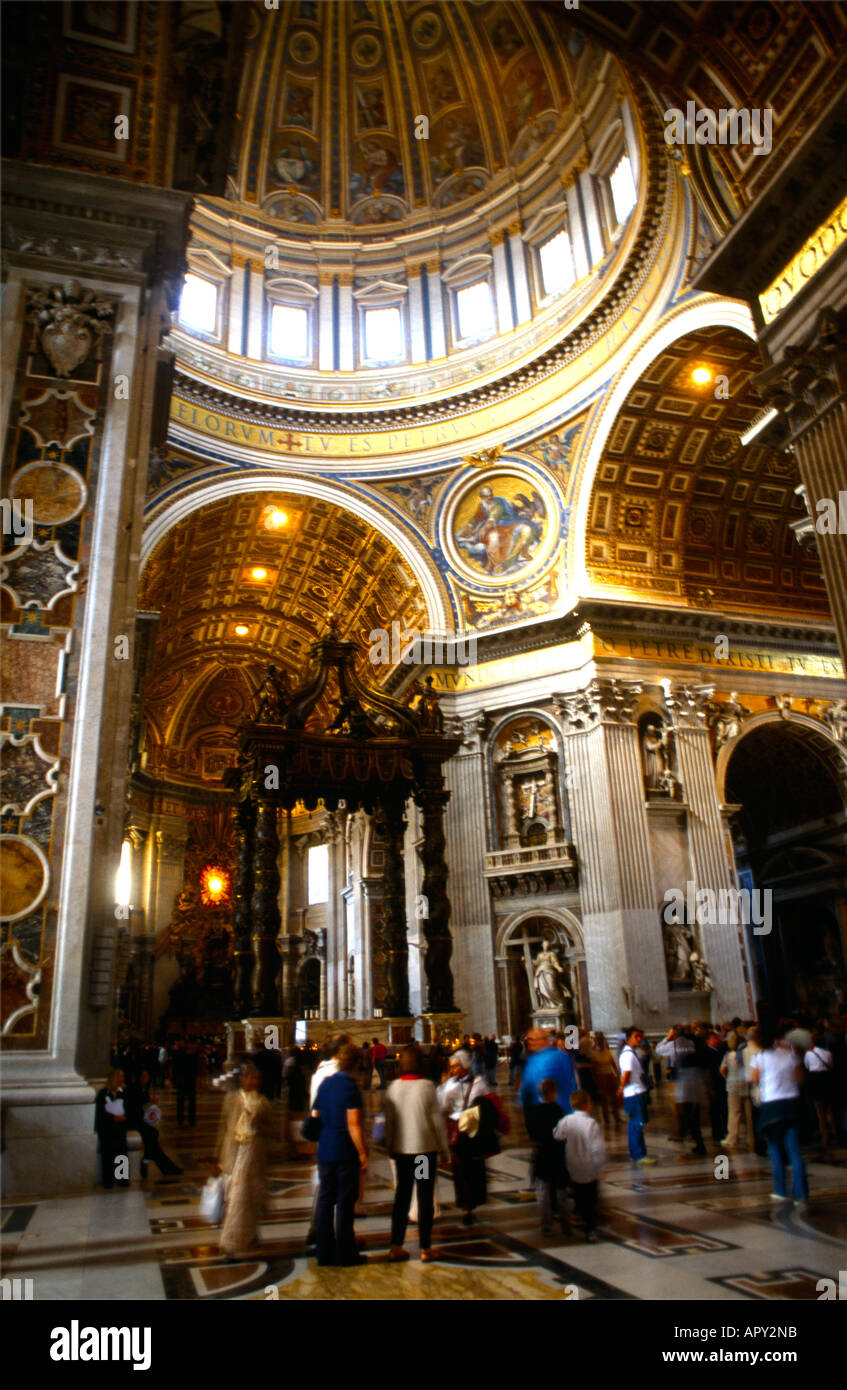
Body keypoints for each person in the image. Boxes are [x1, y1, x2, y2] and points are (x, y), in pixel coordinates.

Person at [384, 1044, 448, 1262]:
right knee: (424, 1196)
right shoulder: (427, 1086)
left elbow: (389, 1123)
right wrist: (445, 1148)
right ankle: (425, 1248)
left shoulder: (392, 1087)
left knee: (402, 1197)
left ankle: (395, 1245)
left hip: (402, 1151)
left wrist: (390, 1147)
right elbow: (437, 1122)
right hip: (422, 1153)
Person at [312, 1043, 368, 1266]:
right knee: (345, 1201)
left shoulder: (325, 1084)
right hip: (345, 1151)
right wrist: (362, 1152)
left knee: (326, 1200)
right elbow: (354, 1124)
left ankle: (323, 1252)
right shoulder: (350, 1087)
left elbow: (315, 1114)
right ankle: (346, 1253)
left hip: (325, 1148)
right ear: (355, 1064)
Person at [747, 1017, 809, 1208]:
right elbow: (800, 1079)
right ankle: (801, 1194)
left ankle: (781, 1190)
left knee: (774, 1149)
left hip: (772, 1104)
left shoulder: (760, 1058)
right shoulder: (790, 1055)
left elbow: (754, 1080)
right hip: (791, 1102)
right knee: (794, 1150)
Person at [217, 1063, 274, 1259]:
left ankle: (248, 1234)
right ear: (242, 1078)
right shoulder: (232, 1099)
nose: (252, 1081)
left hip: (254, 1157)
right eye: (249, 1077)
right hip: (235, 1154)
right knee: (234, 1199)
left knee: (251, 1198)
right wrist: (219, 1157)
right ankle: (231, 1241)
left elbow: (270, 1131)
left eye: (256, 1078)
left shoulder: (263, 1103)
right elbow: (223, 1128)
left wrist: (257, 1124)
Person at [438, 1049, 490, 1225]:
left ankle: (473, 1200)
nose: (453, 1070)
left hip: (474, 1130)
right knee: (460, 1169)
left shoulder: (478, 1082)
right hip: (457, 1131)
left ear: (465, 1065)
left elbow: (485, 1101)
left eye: (455, 1066)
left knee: (475, 1166)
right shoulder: (450, 1085)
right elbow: (443, 1106)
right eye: (451, 1067)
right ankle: (466, 1205)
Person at [554, 1089, 605, 1242]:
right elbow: (597, 1148)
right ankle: (591, 1229)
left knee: (579, 1195)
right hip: (589, 1167)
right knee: (591, 1198)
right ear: (586, 1105)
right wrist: (600, 1165)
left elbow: (557, 1135)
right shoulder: (591, 1123)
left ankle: (579, 1218)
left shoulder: (566, 1121)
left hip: (573, 1166)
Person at [527, 1077, 569, 1236]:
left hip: (541, 1154)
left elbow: (532, 1134)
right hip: (557, 1154)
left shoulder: (534, 1112)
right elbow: (563, 1133)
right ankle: (565, 1223)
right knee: (561, 1192)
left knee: (543, 1193)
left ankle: (546, 1225)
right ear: (552, 1093)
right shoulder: (557, 1110)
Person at [124, 1067, 182, 1178]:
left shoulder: (141, 1088)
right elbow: (137, 1102)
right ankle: (163, 1166)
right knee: (152, 1136)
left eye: (147, 1076)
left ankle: (151, 1160)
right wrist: (149, 1099)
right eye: (144, 1076)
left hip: (137, 1121)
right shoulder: (135, 1088)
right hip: (133, 1122)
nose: (146, 1078)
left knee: (153, 1136)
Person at [617, 1027, 656, 1165]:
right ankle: (639, 1154)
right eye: (636, 1036)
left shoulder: (631, 1053)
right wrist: (621, 1087)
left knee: (635, 1123)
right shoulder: (628, 1054)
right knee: (637, 1123)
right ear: (629, 1038)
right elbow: (626, 1074)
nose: (639, 1039)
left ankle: (636, 1151)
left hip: (635, 1090)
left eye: (641, 1037)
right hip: (634, 1092)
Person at [519, 1027, 577, 1118]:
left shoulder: (559, 1057)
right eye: (528, 1039)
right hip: (541, 1111)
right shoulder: (533, 1059)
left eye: (532, 1039)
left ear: (543, 1040)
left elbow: (571, 1082)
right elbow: (527, 1088)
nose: (529, 1042)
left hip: (556, 1110)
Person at [94, 1069, 130, 1189]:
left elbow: (131, 1109)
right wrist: (112, 1117)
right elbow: (100, 1114)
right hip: (107, 1129)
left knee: (122, 1154)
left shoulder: (124, 1092)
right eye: (121, 1077)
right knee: (108, 1156)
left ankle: (122, 1179)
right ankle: (108, 1180)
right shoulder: (103, 1094)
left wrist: (124, 1117)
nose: (123, 1079)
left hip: (120, 1128)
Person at [804, 1030, 838, 1152]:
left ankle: (824, 1136)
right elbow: (831, 1065)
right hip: (827, 1079)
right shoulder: (828, 1053)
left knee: (820, 1111)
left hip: (815, 1081)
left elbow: (807, 1067)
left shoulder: (809, 1054)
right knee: (830, 1109)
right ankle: (835, 1133)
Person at [721, 1032, 753, 1151]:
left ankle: (732, 1138)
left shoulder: (729, 1055)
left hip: (733, 1085)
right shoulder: (748, 1054)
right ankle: (751, 1138)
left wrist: (728, 1077)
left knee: (734, 1113)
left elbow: (723, 1069)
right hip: (747, 1085)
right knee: (750, 1115)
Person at [586, 1032, 622, 1127]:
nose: (601, 1044)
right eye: (599, 1042)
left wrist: (616, 1073)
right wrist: (595, 1079)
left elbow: (612, 1063)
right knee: (604, 1098)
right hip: (601, 1075)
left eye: (602, 1042)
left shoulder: (607, 1052)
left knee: (614, 1097)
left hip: (609, 1074)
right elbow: (593, 1068)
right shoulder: (593, 1053)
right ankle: (606, 1118)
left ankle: (616, 1116)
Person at [172, 1039, 198, 1127]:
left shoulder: (178, 1054)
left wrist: (174, 1080)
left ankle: (180, 1120)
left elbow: (175, 1067)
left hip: (182, 1080)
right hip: (189, 1080)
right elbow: (195, 1068)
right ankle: (191, 1120)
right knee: (191, 1101)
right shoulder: (193, 1055)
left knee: (181, 1101)